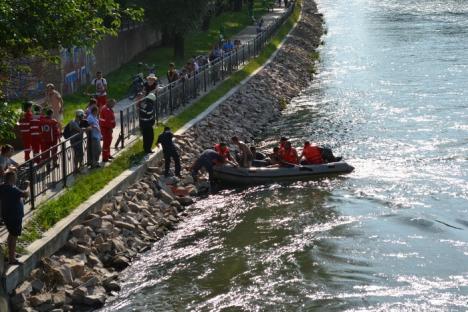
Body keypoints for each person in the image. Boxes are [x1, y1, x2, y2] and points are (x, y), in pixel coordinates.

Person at [0, 170, 29, 265]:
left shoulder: (3, 186)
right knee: (14, 236)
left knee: (11, 234)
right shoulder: (12, 188)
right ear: (12, 178)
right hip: (14, 216)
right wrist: (27, 186)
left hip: (7, 215)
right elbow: (25, 194)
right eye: (15, 176)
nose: (16, 178)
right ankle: (12, 259)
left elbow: (18, 193)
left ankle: (11, 254)